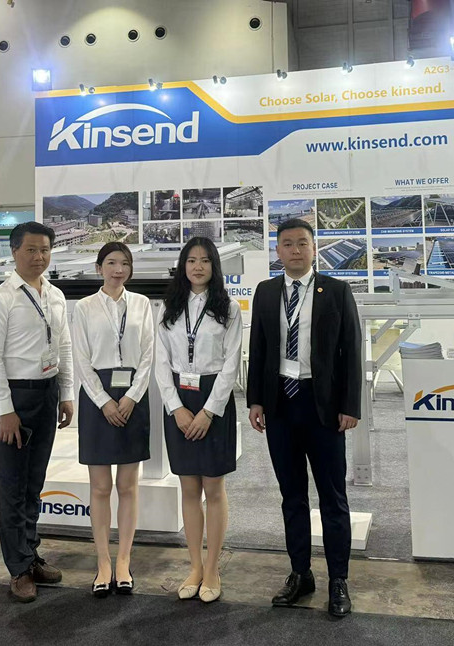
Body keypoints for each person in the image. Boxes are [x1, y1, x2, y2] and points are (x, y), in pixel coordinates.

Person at [247, 218, 361, 618]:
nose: (295, 250)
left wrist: (350, 405)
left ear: (314, 249)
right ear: (277, 250)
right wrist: (256, 400)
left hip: (322, 405)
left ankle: (338, 580)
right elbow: (259, 347)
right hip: (280, 403)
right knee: (292, 496)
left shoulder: (337, 290)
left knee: (333, 497)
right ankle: (300, 573)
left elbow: (351, 349)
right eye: (287, 244)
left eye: (302, 243)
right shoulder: (266, 292)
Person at [0, 221, 74, 603]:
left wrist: (66, 394)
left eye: (45, 250)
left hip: (47, 393)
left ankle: (30, 555)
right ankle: (18, 569)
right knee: (13, 487)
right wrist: (4, 411)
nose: (39, 257)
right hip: (15, 399)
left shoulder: (55, 295)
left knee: (35, 483)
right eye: (31, 249)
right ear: (15, 251)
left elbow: (63, 346)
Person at [155, 236, 242, 604]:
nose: (198, 267)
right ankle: (194, 566)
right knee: (188, 488)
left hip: (213, 399)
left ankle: (212, 568)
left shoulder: (229, 308)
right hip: (180, 400)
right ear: (183, 265)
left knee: (213, 488)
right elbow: (161, 362)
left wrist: (209, 411)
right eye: (191, 260)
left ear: (214, 266)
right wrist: (175, 407)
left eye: (205, 260)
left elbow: (232, 363)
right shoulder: (169, 308)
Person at [73, 242, 154, 598]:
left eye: (124, 264)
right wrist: (104, 401)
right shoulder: (84, 307)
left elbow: (149, 354)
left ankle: (124, 561)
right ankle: (103, 563)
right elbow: (81, 359)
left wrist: (133, 396)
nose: (118, 270)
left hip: (133, 396)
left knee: (128, 486)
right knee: (101, 487)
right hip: (98, 398)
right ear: (98, 268)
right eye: (111, 263)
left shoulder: (142, 304)